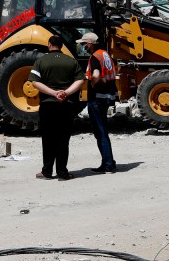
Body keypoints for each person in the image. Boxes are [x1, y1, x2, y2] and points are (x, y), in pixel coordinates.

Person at [29, 34, 85, 180]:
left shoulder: (40, 61)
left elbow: (35, 82)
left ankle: (47, 172)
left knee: (48, 139)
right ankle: (62, 172)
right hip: (66, 105)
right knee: (63, 139)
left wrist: (53, 93)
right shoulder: (72, 62)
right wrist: (65, 93)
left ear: (49, 45)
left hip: (47, 105)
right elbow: (80, 80)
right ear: (61, 45)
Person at [80, 32, 117, 174]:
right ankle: (108, 162)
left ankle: (108, 164)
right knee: (103, 130)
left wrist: (94, 84)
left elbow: (95, 75)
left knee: (100, 132)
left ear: (90, 44)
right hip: (106, 96)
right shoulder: (105, 54)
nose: (83, 46)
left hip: (97, 98)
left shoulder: (95, 57)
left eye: (84, 44)